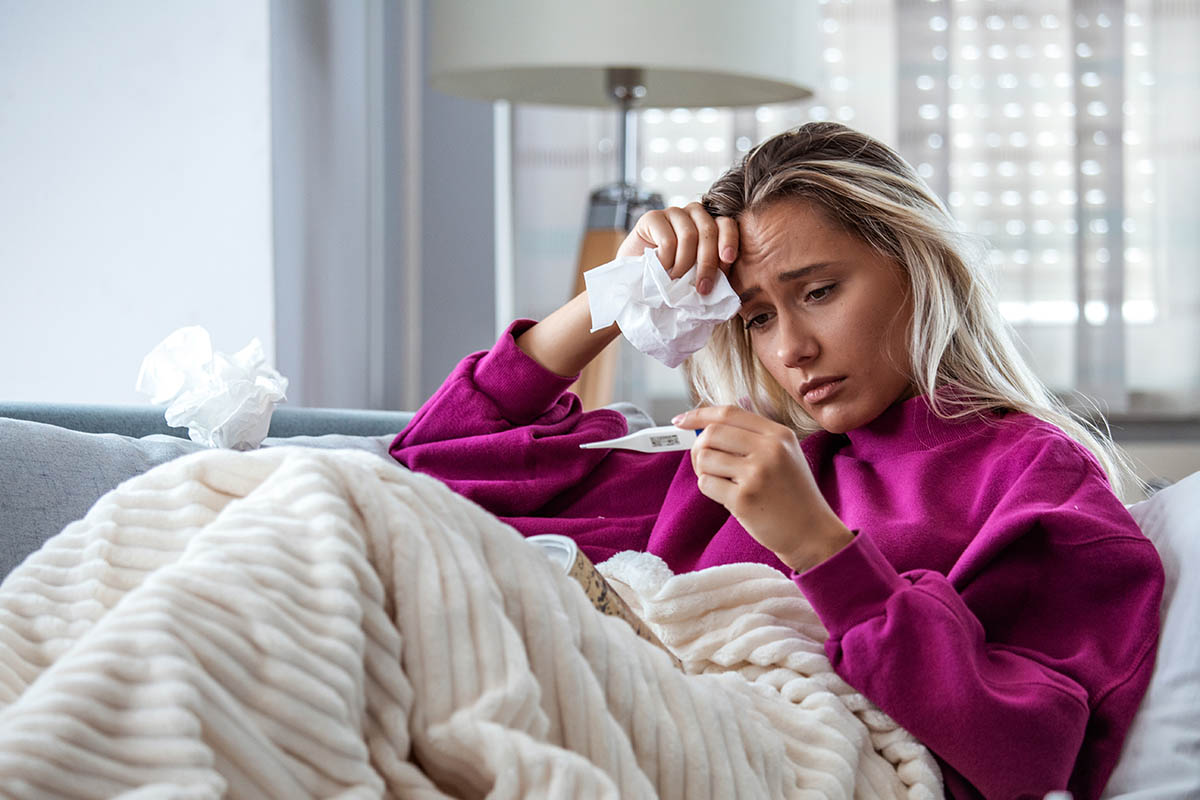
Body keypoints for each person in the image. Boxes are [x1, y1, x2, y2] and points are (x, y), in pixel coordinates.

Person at [390, 122, 1163, 800]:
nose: (791, 348)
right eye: (758, 317)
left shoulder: (1031, 476)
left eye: (820, 291)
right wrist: (610, 298)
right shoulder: (736, 463)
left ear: (917, 265)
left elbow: (1031, 755)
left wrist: (818, 549)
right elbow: (426, 475)